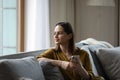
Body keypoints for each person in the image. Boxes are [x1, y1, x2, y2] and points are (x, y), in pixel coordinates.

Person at [37, 22, 104, 80]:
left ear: (69, 36)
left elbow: (89, 78)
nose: (55, 36)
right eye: (54, 33)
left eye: (59, 33)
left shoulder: (84, 54)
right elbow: (38, 59)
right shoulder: (53, 52)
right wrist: (61, 63)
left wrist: (80, 68)